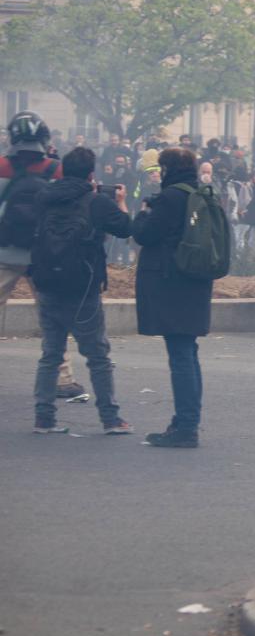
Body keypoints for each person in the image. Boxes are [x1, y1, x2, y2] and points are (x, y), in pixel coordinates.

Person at [28, 147, 133, 435]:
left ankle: (44, 419)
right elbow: (126, 228)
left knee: (51, 354)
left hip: (47, 283)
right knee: (98, 356)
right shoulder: (96, 201)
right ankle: (111, 418)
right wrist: (120, 201)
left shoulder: (44, 198)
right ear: (90, 173)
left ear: (63, 170)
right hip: (83, 288)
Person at [131, 147, 213, 448]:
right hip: (195, 282)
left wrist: (143, 213)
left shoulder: (170, 198)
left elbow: (145, 234)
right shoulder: (201, 194)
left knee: (180, 354)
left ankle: (186, 427)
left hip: (172, 283)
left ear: (168, 170)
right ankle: (186, 421)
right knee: (187, 351)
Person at [1, 112, 87, 398]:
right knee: (53, 319)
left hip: (4, 252)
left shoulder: (2, 166)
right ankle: (63, 380)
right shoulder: (56, 169)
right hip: (45, 256)